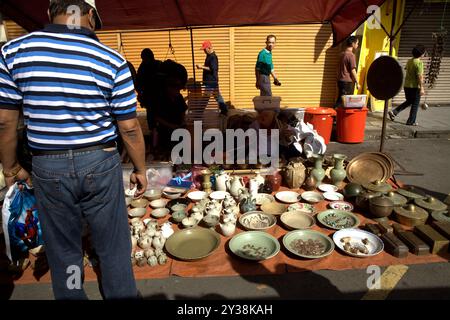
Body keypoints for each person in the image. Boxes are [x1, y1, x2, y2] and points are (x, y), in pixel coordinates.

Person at [0, 0, 147, 300]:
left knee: (65, 251)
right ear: (89, 14)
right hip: (100, 163)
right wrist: (141, 169)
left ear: (50, 12)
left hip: (48, 167)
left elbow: (5, 122)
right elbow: (129, 127)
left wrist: (10, 168)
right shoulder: (111, 59)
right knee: (112, 248)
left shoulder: (13, 52)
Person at [153, 60, 188, 160]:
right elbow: (157, 117)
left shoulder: (179, 98)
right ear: (168, 87)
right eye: (176, 88)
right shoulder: (161, 99)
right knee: (167, 153)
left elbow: (183, 111)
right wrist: (171, 126)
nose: (178, 90)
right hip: (166, 131)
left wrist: (182, 122)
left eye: (179, 88)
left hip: (178, 131)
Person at [389, 45, 426, 126]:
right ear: (421, 54)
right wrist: (422, 88)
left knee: (409, 101)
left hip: (407, 86)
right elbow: (419, 76)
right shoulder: (419, 63)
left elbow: (406, 70)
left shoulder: (409, 61)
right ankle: (411, 121)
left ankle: (394, 112)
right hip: (415, 87)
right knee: (415, 104)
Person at [196, 40, 228, 115]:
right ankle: (224, 110)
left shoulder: (213, 57)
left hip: (211, 82)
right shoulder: (209, 56)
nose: (204, 50)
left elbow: (213, 68)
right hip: (212, 81)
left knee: (205, 98)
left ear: (209, 48)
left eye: (204, 49)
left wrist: (201, 67)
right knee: (217, 96)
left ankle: (198, 114)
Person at [136, 48, 162, 131]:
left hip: (156, 96)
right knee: (153, 118)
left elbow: (138, 82)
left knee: (156, 117)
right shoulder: (144, 67)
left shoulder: (155, 65)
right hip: (151, 97)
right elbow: (138, 82)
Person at [334, 36, 360, 108]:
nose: (357, 45)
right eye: (357, 43)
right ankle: (333, 115)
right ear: (352, 44)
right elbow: (353, 70)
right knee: (342, 101)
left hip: (340, 80)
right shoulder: (351, 55)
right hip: (346, 81)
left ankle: (336, 116)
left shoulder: (341, 54)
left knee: (341, 99)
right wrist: (358, 82)